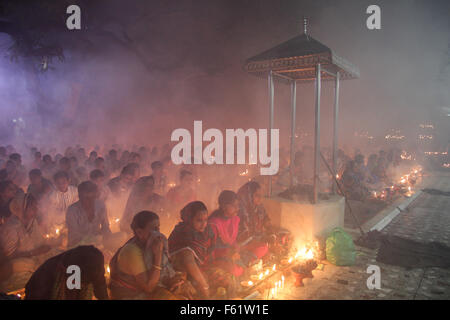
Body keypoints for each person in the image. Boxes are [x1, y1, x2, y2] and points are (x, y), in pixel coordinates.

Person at [110, 211, 192, 300]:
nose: (158, 233)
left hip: (144, 291)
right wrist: (158, 255)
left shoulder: (148, 245)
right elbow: (149, 288)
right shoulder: (131, 250)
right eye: (154, 229)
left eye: (158, 228)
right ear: (139, 232)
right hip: (130, 296)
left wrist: (174, 281)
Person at [169, 201, 233, 299]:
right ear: (189, 219)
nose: (204, 224)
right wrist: (205, 286)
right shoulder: (182, 234)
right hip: (182, 276)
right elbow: (189, 263)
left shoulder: (205, 231)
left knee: (227, 278)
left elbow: (211, 252)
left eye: (206, 220)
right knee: (193, 293)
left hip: (200, 270)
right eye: (199, 220)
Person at [0, 194, 52, 292]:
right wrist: (33, 253)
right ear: (21, 209)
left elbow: (40, 242)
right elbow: (8, 257)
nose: (36, 209)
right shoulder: (10, 228)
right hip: (17, 267)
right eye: (32, 207)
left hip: (35, 259)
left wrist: (47, 245)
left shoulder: (32, 221)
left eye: (36, 205)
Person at [25, 245, 109, 300]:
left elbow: (100, 285)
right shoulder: (44, 275)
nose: (82, 285)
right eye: (81, 282)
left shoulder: (94, 263)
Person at [208, 191, 244, 277]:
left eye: (238, 206)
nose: (237, 208)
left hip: (229, 256)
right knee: (236, 270)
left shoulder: (234, 219)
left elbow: (233, 241)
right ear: (224, 206)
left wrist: (235, 248)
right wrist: (226, 254)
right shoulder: (214, 224)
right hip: (216, 259)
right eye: (234, 206)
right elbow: (210, 250)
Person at [65, 181, 111, 249]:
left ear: (95, 196)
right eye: (86, 198)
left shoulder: (100, 205)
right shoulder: (72, 210)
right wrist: (92, 240)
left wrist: (108, 238)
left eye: (92, 198)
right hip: (78, 246)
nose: (89, 201)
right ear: (79, 196)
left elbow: (105, 226)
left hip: (98, 244)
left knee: (122, 236)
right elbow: (74, 235)